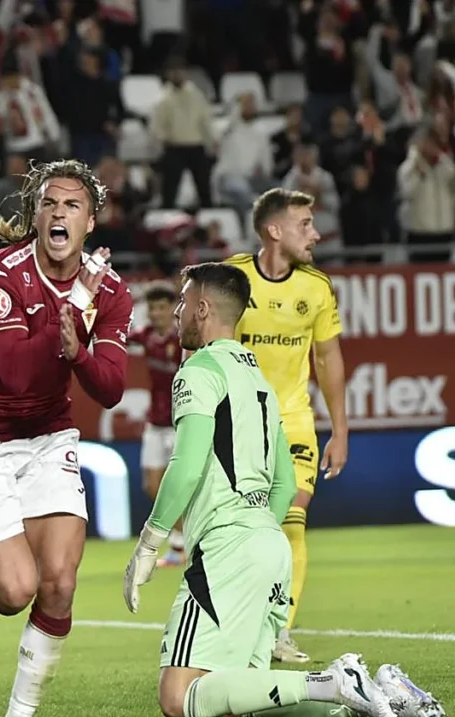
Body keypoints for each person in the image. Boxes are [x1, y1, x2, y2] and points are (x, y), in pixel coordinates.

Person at [123, 262, 442, 717]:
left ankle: (333, 681)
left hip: (226, 549)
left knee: (179, 697)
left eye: (182, 301)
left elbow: (187, 464)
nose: (176, 312)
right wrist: (258, 535)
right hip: (270, 548)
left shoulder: (198, 372)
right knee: (246, 700)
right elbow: (286, 481)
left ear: (203, 308)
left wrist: (149, 542)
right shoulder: (260, 381)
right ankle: (387, 702)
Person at [0, 159, 134, 717]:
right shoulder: (0, 275)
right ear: (36, 213)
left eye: (72, 205)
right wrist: (72, 312)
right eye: (49, 203)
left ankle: (20, 712)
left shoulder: (111, 291)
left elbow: (111, 388)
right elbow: (17, 373)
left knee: (60, 585)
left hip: (48, 435)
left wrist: (79, 354)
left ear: (90, 222)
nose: (58, 213)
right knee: (15, 592)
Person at [224, 188, 349, 663]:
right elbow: (200, 348)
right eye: (305, 225)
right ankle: (234, 623)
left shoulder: (316, 288)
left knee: (293, 521)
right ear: (274, 230)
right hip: (239, 421)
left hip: (294, 420)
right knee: (246, 530)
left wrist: (340, 429)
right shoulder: (232, 279)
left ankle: (278, 631)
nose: (315, 234)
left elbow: (328, 358)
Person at [129, 282, 185, 566]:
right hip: (155, 423)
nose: (156, 313)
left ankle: (180, 546)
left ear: (172, 309)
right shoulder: (146, 336)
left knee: (180, 488)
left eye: (162, 308)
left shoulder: (184, 340)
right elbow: (118, 338)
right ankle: (182, 541)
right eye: (152, 308)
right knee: (152, 487)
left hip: (180, 423)